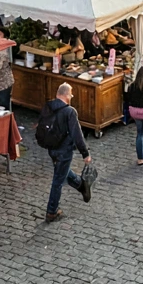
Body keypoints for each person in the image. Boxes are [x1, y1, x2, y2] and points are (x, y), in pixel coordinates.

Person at [42, 83, 92, 223]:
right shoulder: (69, 112)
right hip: (64, 150)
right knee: (58, 181)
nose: (71, 97)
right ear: (65, 95)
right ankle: (52, 211)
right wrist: (85, 153)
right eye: (70, 94)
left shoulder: (48, 106)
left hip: (52, 149)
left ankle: (81, 185)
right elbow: (77, 134)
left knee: (62, 171)